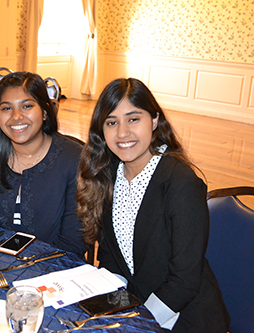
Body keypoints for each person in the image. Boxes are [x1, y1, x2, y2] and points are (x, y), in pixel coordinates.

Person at [77, 78, 230, 331]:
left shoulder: (181, 183)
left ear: (155, 120)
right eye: (112, 122)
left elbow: (184, 280)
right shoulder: (107, 175)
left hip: (185, 316)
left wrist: (139, 321)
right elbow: (110, 258)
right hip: (135, 306)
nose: (123, 133)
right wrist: (111, 305)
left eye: (133, 119)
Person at [0, 72, 86, 258]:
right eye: (6, 108)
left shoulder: (73, 159)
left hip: (52, 268)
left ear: (44, 111)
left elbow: (73, 243)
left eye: (27, 106)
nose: (16, 116)